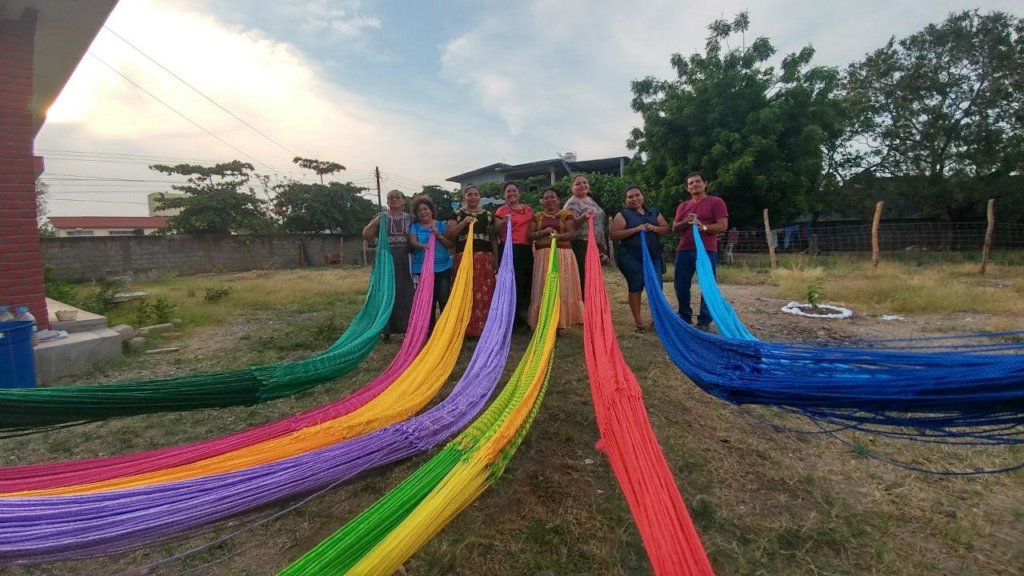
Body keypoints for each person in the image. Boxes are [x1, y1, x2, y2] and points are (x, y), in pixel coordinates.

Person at [672, 171, 729, 331]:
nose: (694, 185)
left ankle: (704, 320)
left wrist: (703, 227)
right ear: (687, 188)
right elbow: (675, 227)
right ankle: (684, 315)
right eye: (691, 183)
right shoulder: (683, 206)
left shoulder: (716, 202)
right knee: (681, 284)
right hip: (684, 249)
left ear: (705, 184)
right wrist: (686, 221)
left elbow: (722, 226)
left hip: (706, 251)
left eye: (697, 182)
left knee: (707, 285)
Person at [610, 185, 669, 333]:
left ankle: (656, 320)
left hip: (653, 256)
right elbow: (614, 235)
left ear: (643, 196)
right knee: (636, 286)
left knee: (656, 287)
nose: (634, 199)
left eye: (637, 195)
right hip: (631, 257)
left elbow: (666, 229)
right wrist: (636, 229)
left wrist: (653, 228)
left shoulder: (653, 212)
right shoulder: (622, 215)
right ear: (626, 200)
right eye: (630, 197)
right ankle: (639, 323)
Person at [527, 188, 584, 330]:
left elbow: (572, 234)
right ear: (542, 201)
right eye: (546, 198)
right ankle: (545, 320)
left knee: (562, 287)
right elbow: (530, 235)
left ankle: (560, 321)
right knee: (544, 286)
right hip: (543, 254)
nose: (549, 200)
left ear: (558, 199)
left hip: (562, 254)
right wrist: (543, 232)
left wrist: (558, 237)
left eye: (552, 197)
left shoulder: (566, 214)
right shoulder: (537, 216)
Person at [361, 189, 414, 340]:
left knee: (405, 294)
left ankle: (406, 328)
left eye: (397, 197)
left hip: (405, 260)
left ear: (404, 200)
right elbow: (366, 234)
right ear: (387, 201)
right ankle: (385, 330)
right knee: (384, 293)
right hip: (385, 260)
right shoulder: (382, 217)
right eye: (390, 197)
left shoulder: (410, 218)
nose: (394, 199)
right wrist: (377, 221)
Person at [446, 186, 498, 337]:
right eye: (470, 194)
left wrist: (496, 257)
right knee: (464, 290)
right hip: (464, 258)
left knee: (485, 291)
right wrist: (463, 223)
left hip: (484, 258)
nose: (473, 197)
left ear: (479, 196)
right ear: (464, 196)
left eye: (476, 194)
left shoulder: (487, 215)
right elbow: (449, 235)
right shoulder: (457, 214)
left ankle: (485, 327)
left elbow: (493, 238)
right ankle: (464, 327)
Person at [407, 196, 455, 329]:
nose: (423, 212)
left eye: (425, 209)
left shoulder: (441, 225)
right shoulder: (414, 227)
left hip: (443, 267)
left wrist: (439, 235)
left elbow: (450, 244)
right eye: (419, 211)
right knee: (428, 300)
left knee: (444, 298)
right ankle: (430, 329)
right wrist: (421, 245)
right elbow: (412, 241)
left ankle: (445, 329)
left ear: (431, 210)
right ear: (416, 214)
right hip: (423, 268)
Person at [494, 182, 534, 330]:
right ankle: (513, 319)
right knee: (513, 284)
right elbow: (496, 231)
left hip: (526, 249)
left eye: (514, 191)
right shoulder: (502, 210)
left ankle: (524, 315)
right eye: (508, 192)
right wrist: (504, 221)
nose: (511, 194)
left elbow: (533, 228)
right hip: (510, 249)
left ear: (519, 193)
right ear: (504, 195)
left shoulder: (529, 209)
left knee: (526, 282)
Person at [563, 174, 607, 300]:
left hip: (595, 244)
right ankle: (585, 307)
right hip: (581, 244)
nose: (582, 185)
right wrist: (583, 216)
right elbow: (569, 227)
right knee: (584, 277)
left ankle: (595, 304)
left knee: (594, 277)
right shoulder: (572, 203)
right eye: (578, 184)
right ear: (572, 188)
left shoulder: (590, 200)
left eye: (584, 182)